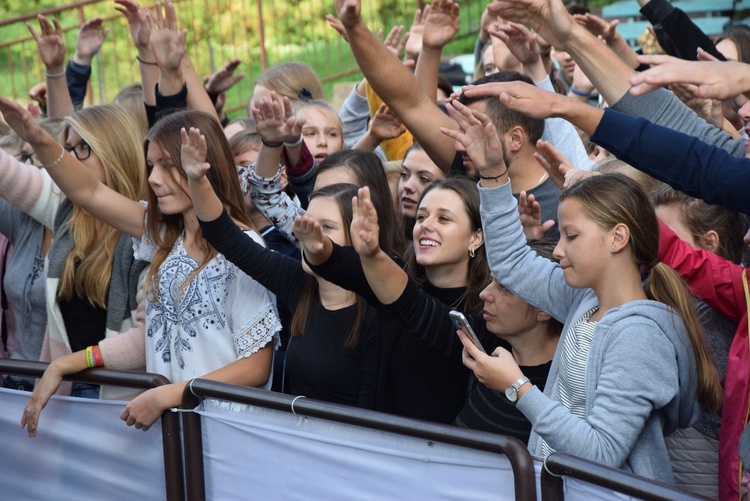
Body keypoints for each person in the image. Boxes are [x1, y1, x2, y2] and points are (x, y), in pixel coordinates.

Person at [443, 97, 721, 484]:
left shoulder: (640, 335)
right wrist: (492, 173)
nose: (557, 249)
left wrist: (518, 388)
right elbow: (510, 262)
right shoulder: (584, 299)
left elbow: (601, 452)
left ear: (617, 238)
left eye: (571, 236)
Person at [0, 99, 282, 435]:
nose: (155, 179)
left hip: (229, 432)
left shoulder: (246, 247)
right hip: (176, 431)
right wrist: (37, 138)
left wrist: (172, 393)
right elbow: (88, 192)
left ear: (203, 166)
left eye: (167, 165)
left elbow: (257, 366)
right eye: (151, 166)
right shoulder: (163, 233)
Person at [348, 186, 560, 441]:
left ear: (543, 309)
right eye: (421, 217)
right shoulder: (484, 341)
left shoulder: (568, 376)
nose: (485, 294)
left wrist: (516, 387)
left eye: (504, 288)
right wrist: (370, 255)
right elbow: (416, 309)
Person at [187, 143, 378, 406]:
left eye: (327, 227)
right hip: (294, 441)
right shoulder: (297, 283)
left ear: (361, 236)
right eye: (306, 223)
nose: (310, 234)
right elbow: (225, 236)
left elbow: (373, 415)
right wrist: (197, 179)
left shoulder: (380, 309)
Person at [297, 177, 488, 423]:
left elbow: (415, 308)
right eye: (421, 217)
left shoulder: (487, 308)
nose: (426, 226)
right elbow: (349, 269)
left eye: (443, 218)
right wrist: (320, 248)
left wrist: (374, 255)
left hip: (444, 454)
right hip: (384, 447)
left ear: (475, 238)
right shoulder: (397, 275)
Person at [0, 104, 147, 404]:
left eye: (84, 147)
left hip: (117, 397)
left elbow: (146, 338)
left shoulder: (147, 227)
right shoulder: (66, 209)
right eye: (67, 148)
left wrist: (72, 362)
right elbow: (9, 174)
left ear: (115, 151)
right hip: (62, 392)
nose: (71, 157)